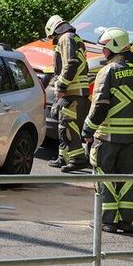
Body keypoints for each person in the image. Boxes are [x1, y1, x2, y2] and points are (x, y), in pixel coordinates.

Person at [82, 27, 133, 234]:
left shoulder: (108, 71)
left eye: (105, 47)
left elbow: (100, 105)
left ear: (114, 47)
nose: (103, 52)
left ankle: (107, 221)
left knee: (104, 176)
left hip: (108, 137)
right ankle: (125, 221)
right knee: (126, 178)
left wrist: (87, 129)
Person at [44, 15, 91, 172]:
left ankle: (78, 159)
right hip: (77, 91)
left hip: (72, 91)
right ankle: (63, 157)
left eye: (52, 37)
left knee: (68, 126)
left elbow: (71, 63)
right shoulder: (73, 38)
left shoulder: (65, 38)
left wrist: (61, 86)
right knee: (63, 124)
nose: (53, 40)